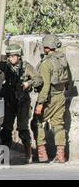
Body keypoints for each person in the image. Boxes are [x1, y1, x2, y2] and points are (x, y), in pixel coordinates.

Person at [0, 44, 42, 163]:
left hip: (22, 101)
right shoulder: (6, 66)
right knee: (6, 129)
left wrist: (29, 83)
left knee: (23, 129)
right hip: (9, 101)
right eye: (8, 56)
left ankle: (28, 154)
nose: (10, 58)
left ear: (19, 56)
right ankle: (4, 156)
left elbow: (39, 79)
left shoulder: (26, 66)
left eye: (13, 56)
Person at [34, 34, 71, 163]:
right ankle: (61, 155)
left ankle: (42, 153)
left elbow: (45, 86)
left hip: (49, 98)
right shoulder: (62, 60)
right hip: (60, 96)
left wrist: (40, 104)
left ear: (46, 47)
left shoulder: (46, 63)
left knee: (37, 122)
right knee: (59, 125)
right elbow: (69, 80)